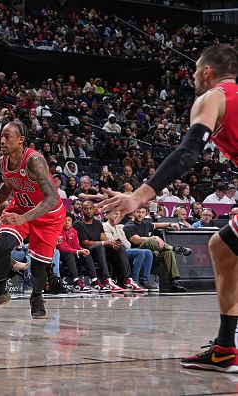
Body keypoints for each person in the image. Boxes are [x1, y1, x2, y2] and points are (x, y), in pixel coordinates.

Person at [99, 44, 238, 372]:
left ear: (207, 72)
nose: (191, 77)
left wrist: (140, 196)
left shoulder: (212, 97)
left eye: (194, 71)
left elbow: (188, 153)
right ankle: (225, 348)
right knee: (222, 247)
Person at [0, 121, 65, 319]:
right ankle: (0, 291)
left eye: (7, 137)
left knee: (39, 268)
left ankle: (37, 296)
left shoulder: (34, 160)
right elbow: (7, 186)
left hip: (48, 215)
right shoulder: (2, 161)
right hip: (20, 208)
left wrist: (24, 218)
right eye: (0, 137)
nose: (1, 141)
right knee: (2, 245)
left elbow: (52, 198)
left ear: (21, 140)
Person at [103, 211, 157, 290]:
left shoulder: (119, 227)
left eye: (118, 214)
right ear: (107, 215)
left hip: (125, 250)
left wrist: (121, 242)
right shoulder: (105, 226)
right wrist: (121, 242)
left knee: (148, 252)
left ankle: (145, 281)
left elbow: (127, 244)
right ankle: (133, 281)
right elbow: (112, 241)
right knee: (140, 252)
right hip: (114, 251)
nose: (117, 216)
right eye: (115, 214)